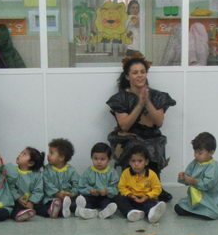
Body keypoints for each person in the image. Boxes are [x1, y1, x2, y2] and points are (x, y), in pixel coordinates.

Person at [106, 53, 177, 200]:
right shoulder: (120, 98)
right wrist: (139, 104)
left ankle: (155, 186)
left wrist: (147, 102)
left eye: (142, 72)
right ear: (127, 76)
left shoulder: (158, 96)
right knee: (135, 146)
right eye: (135, 72)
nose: (139, 75)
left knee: (154, 144)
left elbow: (158, 122)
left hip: (151, 135)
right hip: (128, 136)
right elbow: (125, 126)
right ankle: (129, 187)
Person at [175, 132, 218, 220]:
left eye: (200, 153)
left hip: (208, 201)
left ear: (211, 152)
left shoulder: (215, 167)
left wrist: (194, 181)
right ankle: (196, 210)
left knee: (211, 214)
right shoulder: (195, 163)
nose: (196, 155)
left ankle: (203, 211)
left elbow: (207, 184)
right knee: (178, 208)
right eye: (195, 152)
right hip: (194, 199)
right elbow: (188, 176)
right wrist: (183, 178)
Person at [116, 144, 166, 223]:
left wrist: (146, 196)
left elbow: (157, 188)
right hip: (131, 198)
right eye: (133, 161)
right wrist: (130, 195)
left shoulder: (151, 174)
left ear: (146, 162)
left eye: (140, 161)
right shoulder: (126, 173)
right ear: (129, 162)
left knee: (152, 202)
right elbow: (121, 186)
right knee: (119, 199)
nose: (136, 164)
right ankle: (131, 212)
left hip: (145, 198)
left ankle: (151, 214)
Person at [75, 142, 119, 220]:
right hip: (91, 196)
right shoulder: (88, 172)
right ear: (91, 158)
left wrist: (107, 190)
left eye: (102, 159)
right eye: (95, 159)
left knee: (108, 202)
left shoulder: (112, 172)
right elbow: (81, 186)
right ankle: (90, 212)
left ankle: (105, 212)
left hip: (105, 197)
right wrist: (90, 190)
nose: (99, 161)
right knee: (85, 200)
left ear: (109, 159)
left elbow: (116, 188)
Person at [41, 138, 78, 219]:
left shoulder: (71, 170)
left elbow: (76, 183)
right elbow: (46, 184)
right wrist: (57, 194)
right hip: (51, 198)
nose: (48, 155)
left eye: (51, 153)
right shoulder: (47, 170)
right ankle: (59, 210)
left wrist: (72, 193)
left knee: (75, 203)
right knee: (44, 208)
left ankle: (78, 209)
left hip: (68, 198)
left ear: (61, 157)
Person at [6, 147, 44, 222]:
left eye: (24, 154)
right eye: (21, 153)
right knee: (13, 207)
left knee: (41, 206)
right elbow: (10, 187)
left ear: (31, 163)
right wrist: (18, 198)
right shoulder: (13, 171)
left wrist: (31, 202)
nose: (20, 155)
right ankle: (19, 215)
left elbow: (38, 190)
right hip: (17, 200)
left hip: (32, 202)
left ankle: (52, 211)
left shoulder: (37, 175)